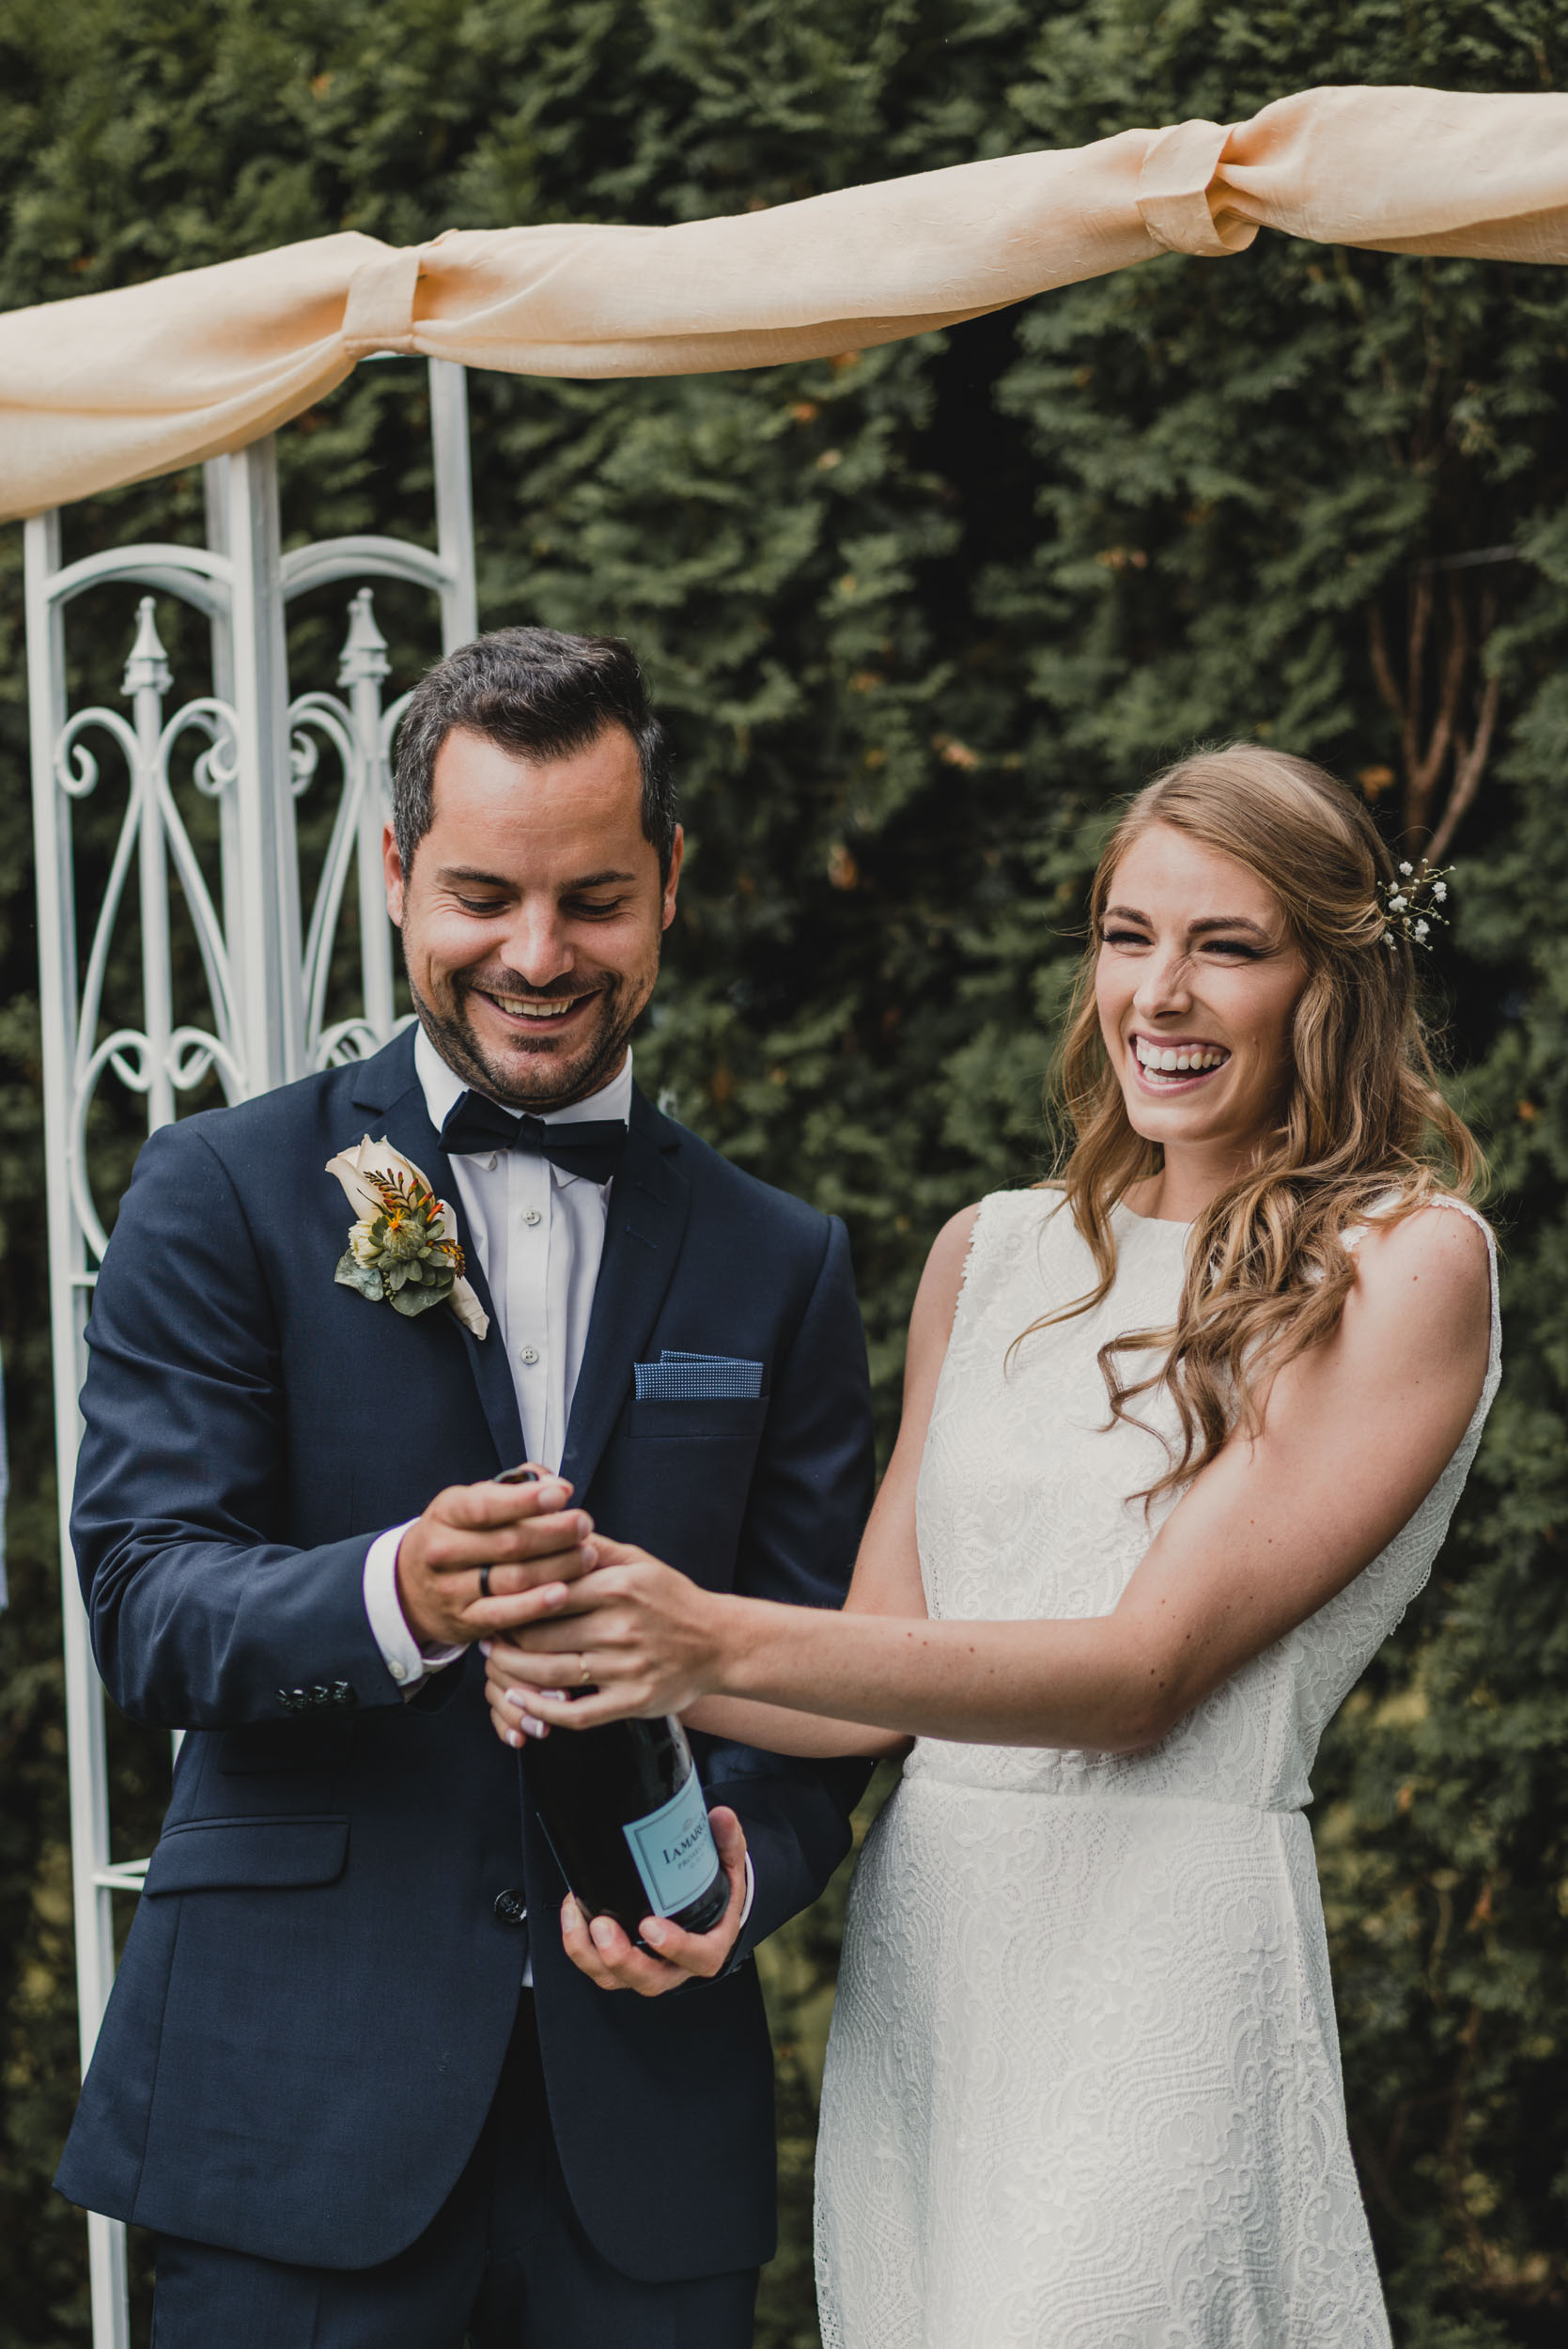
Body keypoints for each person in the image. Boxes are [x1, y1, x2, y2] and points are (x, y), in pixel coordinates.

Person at [482, 744, 1498, 2347]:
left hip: (1161, 1971)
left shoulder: (1403, 1264)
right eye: (1124, 934)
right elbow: (870, 1691)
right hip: (941, 1975)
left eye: (1224, 946)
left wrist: (706, 1639)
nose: (1156, 994)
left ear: (1329, 980)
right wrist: (582, 1638)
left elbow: (1138, 1677)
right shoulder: (994, 1253)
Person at [54, 628, 876, 2348]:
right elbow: (143, 1599)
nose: (536, 953)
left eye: (593, 900)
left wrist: (743, 1875)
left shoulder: (780, 1261)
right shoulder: (220, 1190)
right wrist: (395, 1596)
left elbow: (821, 1678)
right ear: (398, 876)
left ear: (670, 887)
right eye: (484, 895)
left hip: (639, 2153)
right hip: (294, 2122)